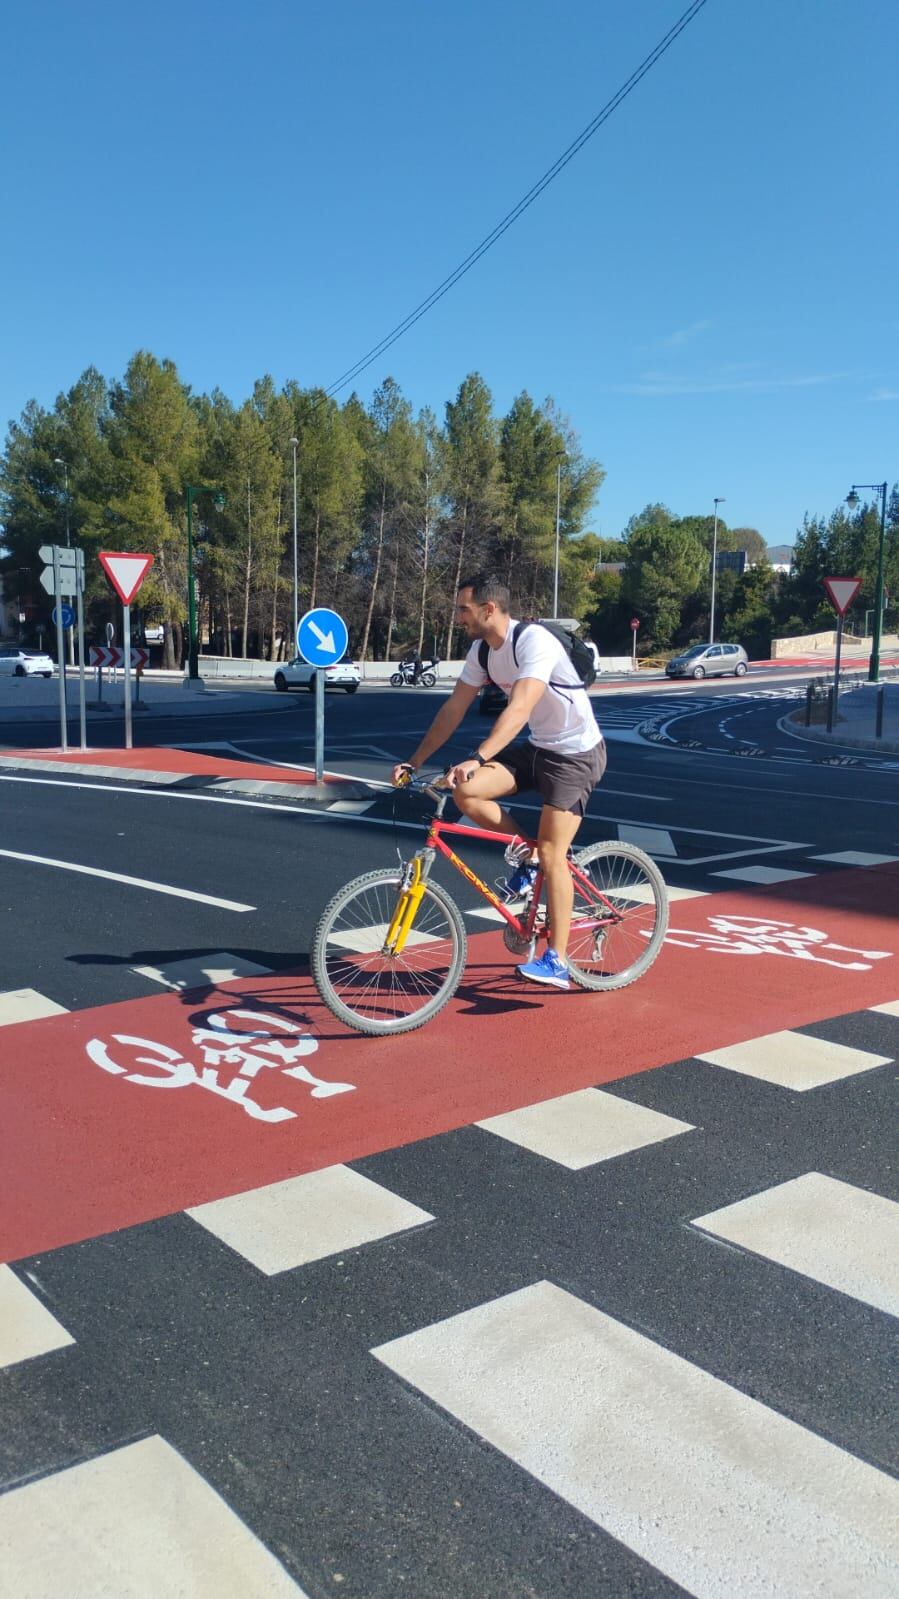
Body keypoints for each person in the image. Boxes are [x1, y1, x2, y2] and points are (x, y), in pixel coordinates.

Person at [392, 572, 606, 990]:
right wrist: (415, 762)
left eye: (463, 610)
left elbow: (522, 706)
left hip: (576, 753)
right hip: (540, 747)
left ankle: (557, 960)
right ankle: (526, 858)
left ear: (489, 609)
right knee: (467, 791)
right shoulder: (483, 652)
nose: (458, 617)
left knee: (552, 852)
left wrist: (476, 756)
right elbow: (453, 709)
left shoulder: (534, 642)